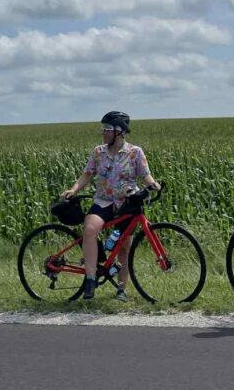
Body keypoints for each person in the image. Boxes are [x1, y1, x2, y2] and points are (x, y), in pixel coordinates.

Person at [60, 111, 161, 301]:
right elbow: (87, 175)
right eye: (103, 129)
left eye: (107, 129)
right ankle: (90, 279)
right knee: (90, 229)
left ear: (119, 132)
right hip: (103, 200)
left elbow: (144, 174)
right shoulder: (99, 152)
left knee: (124, 248)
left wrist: (153, 184)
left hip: (127, 203)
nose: (103, 133)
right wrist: (74, 189)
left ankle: (121, 290)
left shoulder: (135, 152)